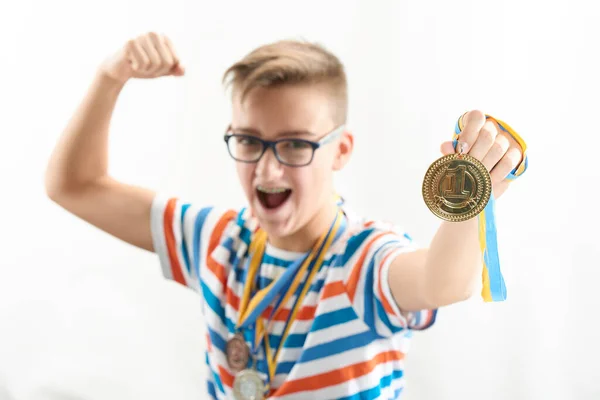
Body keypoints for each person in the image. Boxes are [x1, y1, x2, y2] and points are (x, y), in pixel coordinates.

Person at [45, 32, 526, 400]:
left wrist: (473, 190)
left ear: (341, 151)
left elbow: (445, 282)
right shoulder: (218, 240)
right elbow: (74, 186)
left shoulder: (362, 262)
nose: (268, 167)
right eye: (250, 141)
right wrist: (111, 77)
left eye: (296, 143)